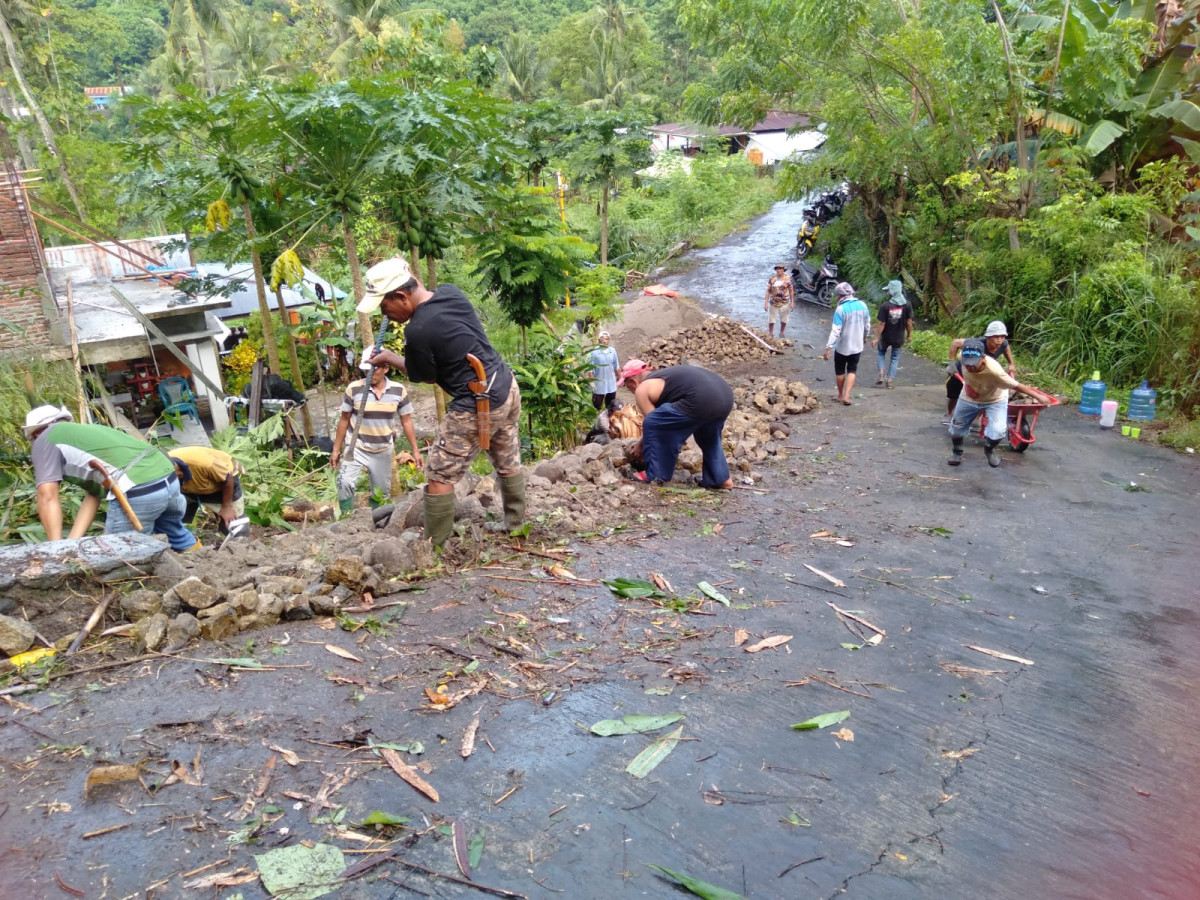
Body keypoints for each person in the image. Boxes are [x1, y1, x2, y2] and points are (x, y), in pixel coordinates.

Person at [357, 257, 524, 546]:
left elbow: (426, 376)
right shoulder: (450, 292)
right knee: (507, 457)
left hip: (477, 401)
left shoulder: (418, 331)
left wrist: (389, 359)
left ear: (401, 296)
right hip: (506, 385)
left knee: (439, 473)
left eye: (385, 306)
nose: (385, 314)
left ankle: (434, 547)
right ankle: (516, 524)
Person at [24, 405, 198, 551]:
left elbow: (47, 497)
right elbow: (94, 495)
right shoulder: (87, 433)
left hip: (138, 487)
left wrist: (55, 550)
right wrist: (70, 543)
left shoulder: (45, 439)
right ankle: (203, 570)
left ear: (35, 434)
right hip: (168, 478)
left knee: (119, 554)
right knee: (176, 535)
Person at [616, 359, 734, 489]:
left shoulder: (642, 388)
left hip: (700, 399)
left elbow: (654, 425)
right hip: (725, 396)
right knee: (708, 437)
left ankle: (655, 475)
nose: (629, 390)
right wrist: (642, 442)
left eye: (626, 385)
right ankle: (720, 479)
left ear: (633, 381)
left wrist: (641, 445)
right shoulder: (667, 377)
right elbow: (662, 422)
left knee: (652, 422)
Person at [330, 358, 422, 515]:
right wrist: (336, 449)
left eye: (374, 369)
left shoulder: (398, 390)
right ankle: (345, 519)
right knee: (344, 483)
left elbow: (406, 421)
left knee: (381, 493)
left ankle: (377, 524)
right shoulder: (354, 389)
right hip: (356, 447)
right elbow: (344, 419)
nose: (369, 373)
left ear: (385, 368)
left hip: (383, 449)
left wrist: (415, 450)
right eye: (366, 370)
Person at [948, 339, 1051, 468]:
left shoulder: (995, 371)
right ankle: (957, 452)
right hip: (968, 397)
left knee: (998, 430)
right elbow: (955, 343)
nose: (969, 367)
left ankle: (989, 449)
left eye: (973, 364)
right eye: (967, 364)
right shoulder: (964, 356)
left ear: (983, 357)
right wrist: (951, 362)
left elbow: (1017, 386)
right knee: (957, 426)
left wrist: (1039, 397)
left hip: (994, 400)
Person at [946, 320, 1015, 417]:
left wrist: (1011, 364)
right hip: (963, 369)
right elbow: (955, 343)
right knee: (953, 393)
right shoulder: (976, 344)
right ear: (988, 337)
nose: (999, 340)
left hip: (981, 372)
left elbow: (1006, 347)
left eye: (1002, 336)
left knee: (981, 395)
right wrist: (951, 363)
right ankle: (949, 413)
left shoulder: (1003, 343)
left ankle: (975, 419)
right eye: (996, 336)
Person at [168, 446, 245, 531]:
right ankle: (181, 538)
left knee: (233, 526)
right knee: (175, 522)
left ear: (180, 474)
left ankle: (247, 541)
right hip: (187, 489)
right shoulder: (163, 467)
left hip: (221, 485)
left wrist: (227, 507)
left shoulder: (205, 464)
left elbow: (227, 477)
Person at [821, 282, 871, 406]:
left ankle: (840, 395)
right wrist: (864, 337)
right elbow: (867, 325)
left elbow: (836, 330)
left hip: (843, 346)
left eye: (837, 295)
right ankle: (847, 396)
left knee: (840, 371)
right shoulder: (863, 305)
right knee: (852, 370)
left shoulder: (841, 309)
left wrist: (828, 348)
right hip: (857, 346)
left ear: (840, 296)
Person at [871, 280, 913, 389]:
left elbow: (882, 323)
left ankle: (881, 374)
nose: (887, 292)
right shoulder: (907, 305)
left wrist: (876, 338)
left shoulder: (885, 306)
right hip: (898, 337)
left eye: (888, 290)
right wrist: (909, 335)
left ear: (893, 291)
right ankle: (889, 381)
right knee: (895, 358)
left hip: (885, 337)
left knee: (881, 353)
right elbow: (908, 322)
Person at [588, 331, 620, 411]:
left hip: (611, 382)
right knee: (597, 404)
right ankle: (596, 417)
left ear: (609, 340)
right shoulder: (594, 353)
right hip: (599, 383)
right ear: (599, 340)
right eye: (602, 339)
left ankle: (609, 417)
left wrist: (620, 377)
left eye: (607, 339)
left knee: (610, 405)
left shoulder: (612, 351)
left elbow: (616, 366)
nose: (605, 341)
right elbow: (591, 369)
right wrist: (592, 382)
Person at [763, 264, 795, 338]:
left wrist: (792, 302)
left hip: (784, 303)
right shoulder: (772, 279)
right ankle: (771, 333)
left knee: (784, 319)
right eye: (777, 268)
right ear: (776, 270)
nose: (779, 270)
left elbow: (791, 291)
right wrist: (766, 303)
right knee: (771, 320)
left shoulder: (788, 279)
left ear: (784, 270)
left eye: (781, 268)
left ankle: (781, 333)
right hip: (773, 302)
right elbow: (768, 291)